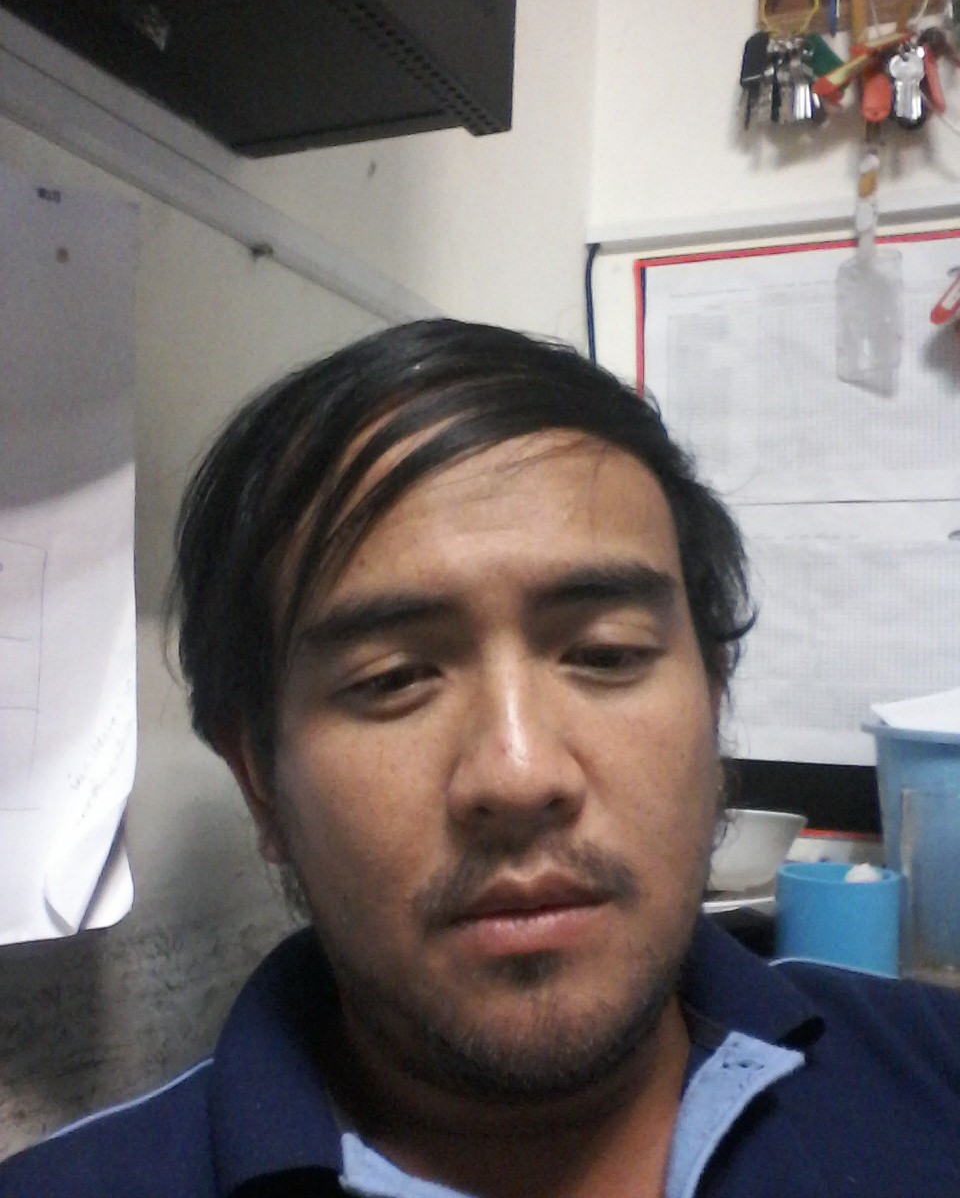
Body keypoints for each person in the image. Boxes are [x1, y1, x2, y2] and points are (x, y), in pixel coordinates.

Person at [2, 320, 959, 1198]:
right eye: (392, 678)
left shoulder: (935, 1079)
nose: (518, 773)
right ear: (260, 781)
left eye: (607, 655)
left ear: (713, 703)